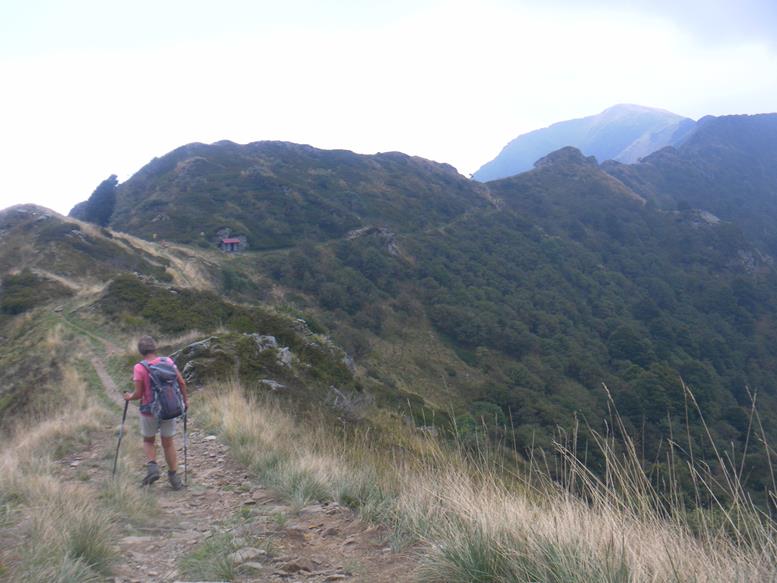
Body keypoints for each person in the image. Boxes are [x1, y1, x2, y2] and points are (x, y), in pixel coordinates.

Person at [123, 335, 189, 489]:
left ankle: (153, 467)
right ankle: (174, 478)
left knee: (148, 440)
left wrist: (128, 397)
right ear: (155, 348)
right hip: (169, 408)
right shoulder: (168, 362)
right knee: (168, 443)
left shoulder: (140, 367)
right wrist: (185, 401)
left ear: (141, 351)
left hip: (149, 410)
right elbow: (182, 382)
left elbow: (138, 394)